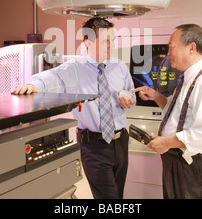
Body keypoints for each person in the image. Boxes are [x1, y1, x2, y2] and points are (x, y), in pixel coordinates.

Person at [12, 17, 135, 199]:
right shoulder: (73, 69)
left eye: (113, 41)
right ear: (88, 42)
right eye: (105, 42)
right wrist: (33, 85)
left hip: (120, 142)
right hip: (94, 146)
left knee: (118, 195)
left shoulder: (120, 68)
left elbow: (131, 94)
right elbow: (49, 77)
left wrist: (129, 98)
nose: (111, 46)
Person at [133, 24, 202, 199]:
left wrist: (167, 142)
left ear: (191, 47)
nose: (168, 53)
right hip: (178, 161)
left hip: (195, 168)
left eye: (171, 47)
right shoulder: (188, 77)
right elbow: (177, 111)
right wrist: (155, 95)